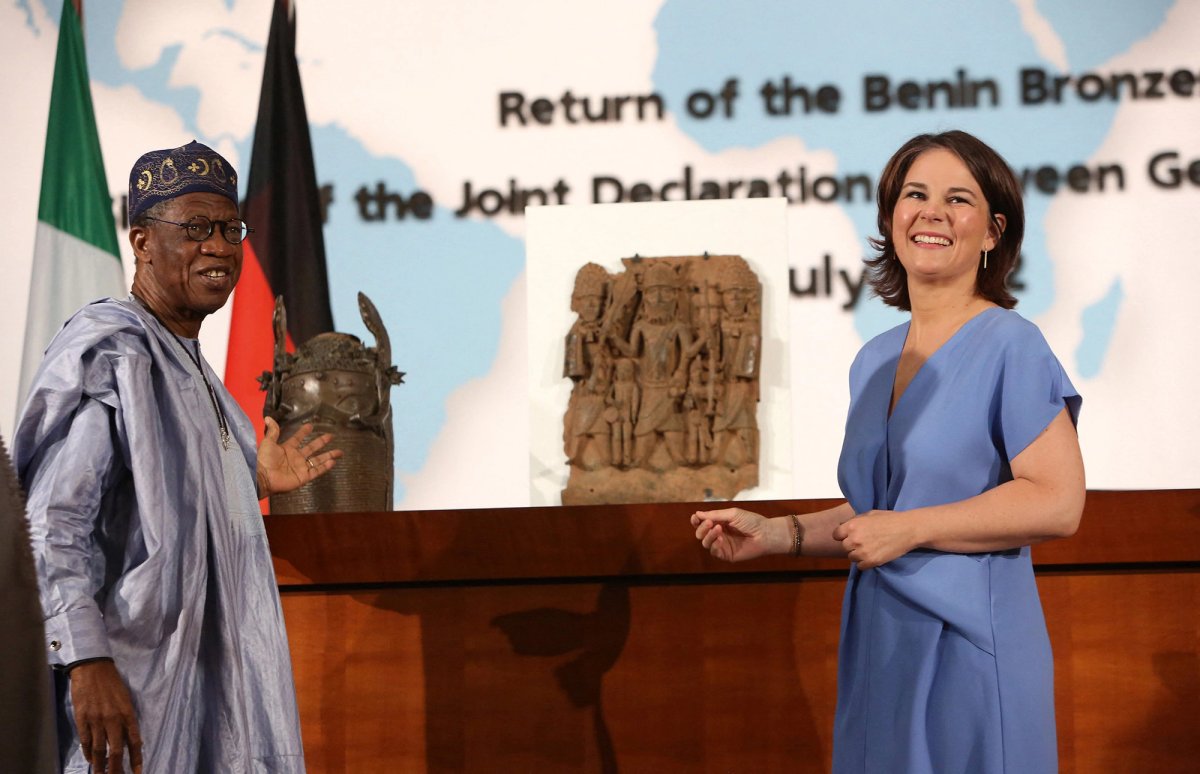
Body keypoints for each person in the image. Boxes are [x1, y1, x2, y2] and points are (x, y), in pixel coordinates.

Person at [691, 130, 1085, 773]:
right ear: (890, 218)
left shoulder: (1014, 345)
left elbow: (1057, 501)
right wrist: (778, 534)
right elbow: (880, 510)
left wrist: (910, 530)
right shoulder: (872, 360)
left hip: (972, 648)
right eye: (915, 194)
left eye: (958, 199)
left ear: (992, 232)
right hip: (880, 647)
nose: (932, 212)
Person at [15, 141, 342, 774]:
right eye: (195, 228)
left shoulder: (193, 369)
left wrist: (247, 478)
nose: (220, 247)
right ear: (141, 241)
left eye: (229, 229)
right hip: (133, 696)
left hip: (213, 696)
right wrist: (86, 660)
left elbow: (163, 497)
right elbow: (55, 523)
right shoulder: (117, 355)